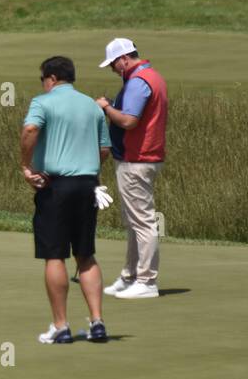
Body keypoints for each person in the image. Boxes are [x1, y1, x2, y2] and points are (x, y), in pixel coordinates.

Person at [21, 55, 113, 344]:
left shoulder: (42, 102)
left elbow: (30, 130)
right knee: (85, 254)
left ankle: (61, 327)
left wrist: (27, 166)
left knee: (55, 254)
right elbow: (104, 150)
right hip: (88, 186)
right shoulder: (91, 105)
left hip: (55, 186)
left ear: (50, 78)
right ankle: (97, 322)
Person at [95, 37, 168, 300]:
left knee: (143, 222)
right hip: (140, 157)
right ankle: (130, 276)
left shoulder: (138, 82)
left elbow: (128, 121)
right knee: (134, 222)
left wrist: (105, 107)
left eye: (114, 64)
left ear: (124, 58)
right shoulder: (150, 77)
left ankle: (147, 280)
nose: (113, 69)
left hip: (137, 159)